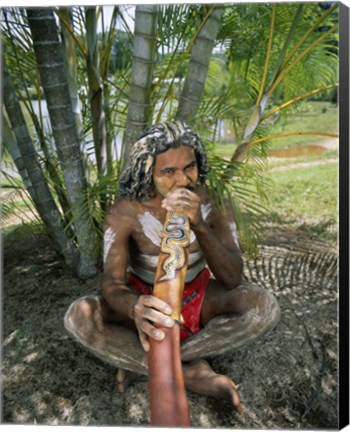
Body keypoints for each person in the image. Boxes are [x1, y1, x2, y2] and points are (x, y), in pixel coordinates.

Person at [64, 120, 280, 413]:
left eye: (189, 167)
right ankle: (190, 372)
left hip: (199, 299)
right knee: (80, 316)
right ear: (147, 171)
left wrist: (200, 226)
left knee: (262, 305)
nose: (182, 180)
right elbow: (112, 283)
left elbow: (232, 278)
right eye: (168, 172)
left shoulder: (212, 202)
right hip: (148, 302)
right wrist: (135, 307)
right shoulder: (125, 212)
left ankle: (146, 364)